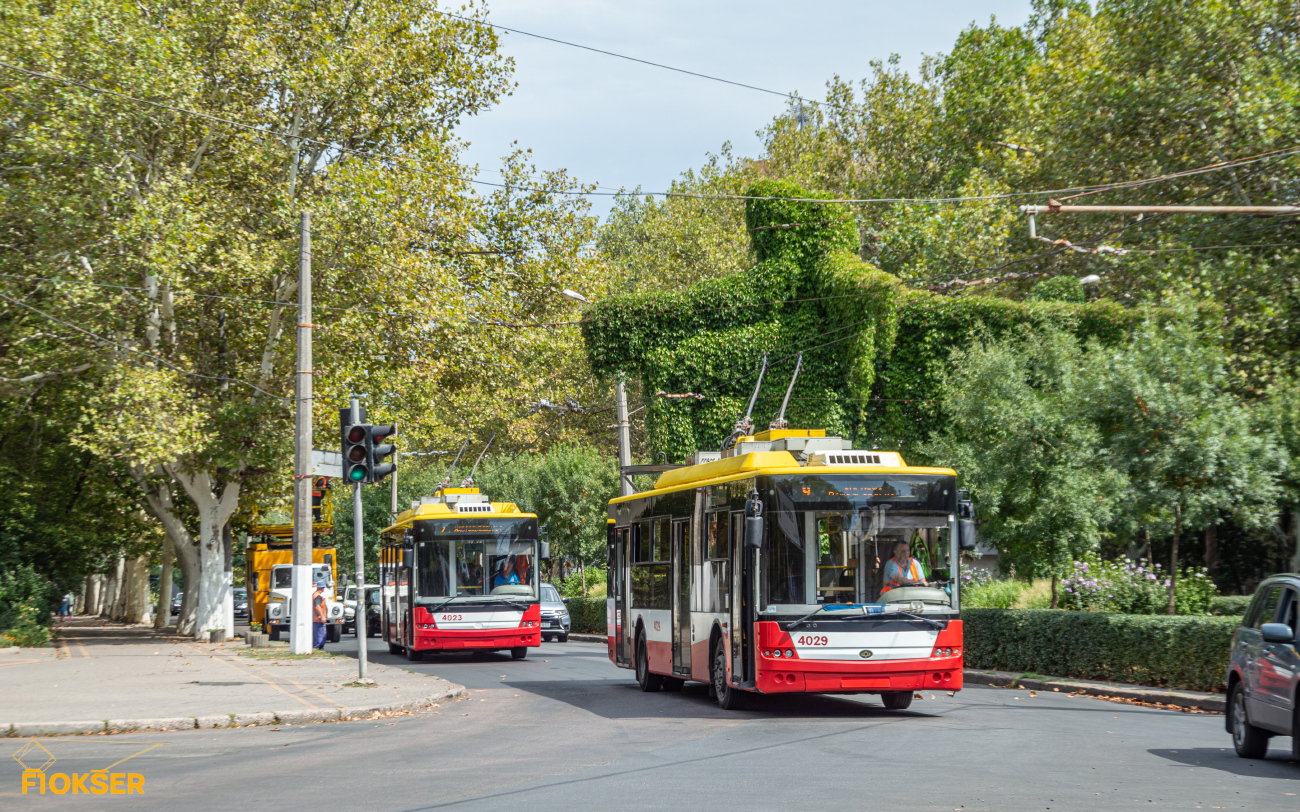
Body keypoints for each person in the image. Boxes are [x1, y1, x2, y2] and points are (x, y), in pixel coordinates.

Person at [311, 577, 329, 649]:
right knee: (320, 635)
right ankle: (318, 647)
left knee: (317, 635)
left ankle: (317, 647)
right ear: (322, 588)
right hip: (318, 620)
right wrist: (322, 617)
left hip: (316, 620)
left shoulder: (314, 594)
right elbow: (317, 607)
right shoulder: (317, 596)